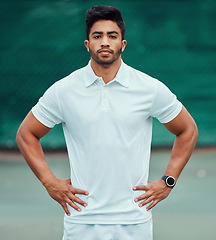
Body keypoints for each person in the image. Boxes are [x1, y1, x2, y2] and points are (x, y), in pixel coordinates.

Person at [16, 5, 198, 240]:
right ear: (87, 44)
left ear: (122, 44)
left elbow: (187, 129)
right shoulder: (63, 91)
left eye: (112, 36)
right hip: (81, 219)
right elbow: (26, 134)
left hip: (134, 220)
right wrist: (49, 182)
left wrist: (168, 181)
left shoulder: (149, 88)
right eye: (97, 36)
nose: (104, 42)